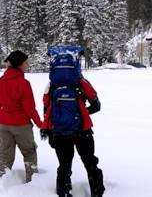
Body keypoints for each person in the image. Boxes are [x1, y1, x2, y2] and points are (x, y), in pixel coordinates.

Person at [41, 46, 105, 197]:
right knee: (90, 163)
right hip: (82, 131)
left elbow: (46, 110)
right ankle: (97, 192)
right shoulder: (82, 82)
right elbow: (96, 106)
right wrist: (81, 113)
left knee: (64, 166)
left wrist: (49, 130)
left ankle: (63, 192)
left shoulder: (51, 85)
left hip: (59, 131)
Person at [0, 50, 43, 183]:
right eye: (26, 62)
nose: (28, 64)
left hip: (3, 124)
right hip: (21, 125)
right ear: (19, 64)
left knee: (5, 155)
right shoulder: (23, 83)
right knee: (29, 153)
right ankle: (33, 183)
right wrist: (40, 124)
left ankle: (0, 183)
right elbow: (30, 108)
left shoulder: (1, 80)